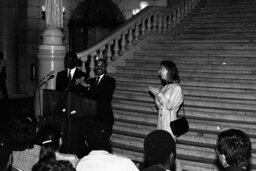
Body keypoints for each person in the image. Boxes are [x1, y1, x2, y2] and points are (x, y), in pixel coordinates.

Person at [148, 60, 184, 139]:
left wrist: (158, 94)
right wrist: (156, 94)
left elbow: (169, 106)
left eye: (161, 69)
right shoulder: (165, 87)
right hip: (160, 125)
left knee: (168, 149)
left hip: (169, 127)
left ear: (169, 71)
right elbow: (160, 107)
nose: (159, 71)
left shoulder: (177, 88)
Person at [79, 58, 116, 132]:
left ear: (105, 68)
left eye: (102, 65)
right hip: (91, 118)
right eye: (97, 65)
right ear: (95, 67)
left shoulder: (110, 81)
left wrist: (88, 87)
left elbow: (102, 96)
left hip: (104, 118)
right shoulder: (90, 81)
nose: (99, 67)